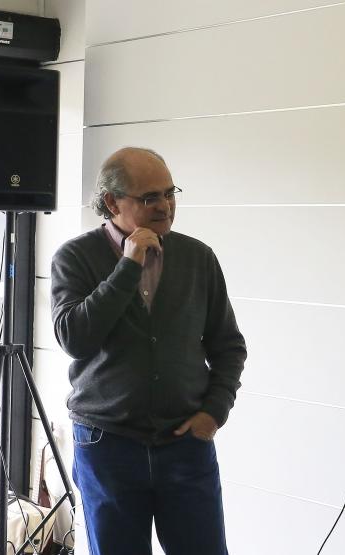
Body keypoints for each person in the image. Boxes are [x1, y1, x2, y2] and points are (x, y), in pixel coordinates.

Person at [50, 147, 246, 555]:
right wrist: (127, 267)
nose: (165, 206)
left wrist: (214, 412)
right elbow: (74, 337)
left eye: (169, 193)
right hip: (107, 444)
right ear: (111, 202)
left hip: (185, 444)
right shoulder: (75, 257)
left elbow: (228, 345)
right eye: (149, 197)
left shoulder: (198, 258)